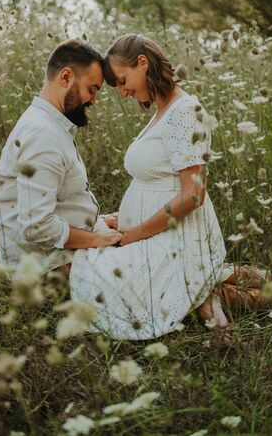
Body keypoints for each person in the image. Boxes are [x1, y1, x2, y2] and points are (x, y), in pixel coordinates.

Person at [70, 33, 231, 340]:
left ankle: (222, 300)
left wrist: (135, 232)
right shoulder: (164, 111)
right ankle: (220, 291)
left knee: (101, 278)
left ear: (142, 63)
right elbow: (162, 182)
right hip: (153, 233)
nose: (122, 92)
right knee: (92, 263)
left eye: (121, 79)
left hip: (173, 239)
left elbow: (193, 195)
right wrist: (125, 217)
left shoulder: (183, 111)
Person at [0, 39, 122, 273]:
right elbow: (37, 226)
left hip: (52, 254)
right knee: (146, 259)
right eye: (91, 89)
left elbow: (52, 205)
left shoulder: (49, 125)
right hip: (44, 268)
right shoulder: (43, 135)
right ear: (65, 77)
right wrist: (97, 239)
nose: (93, 100)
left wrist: (99, 221)